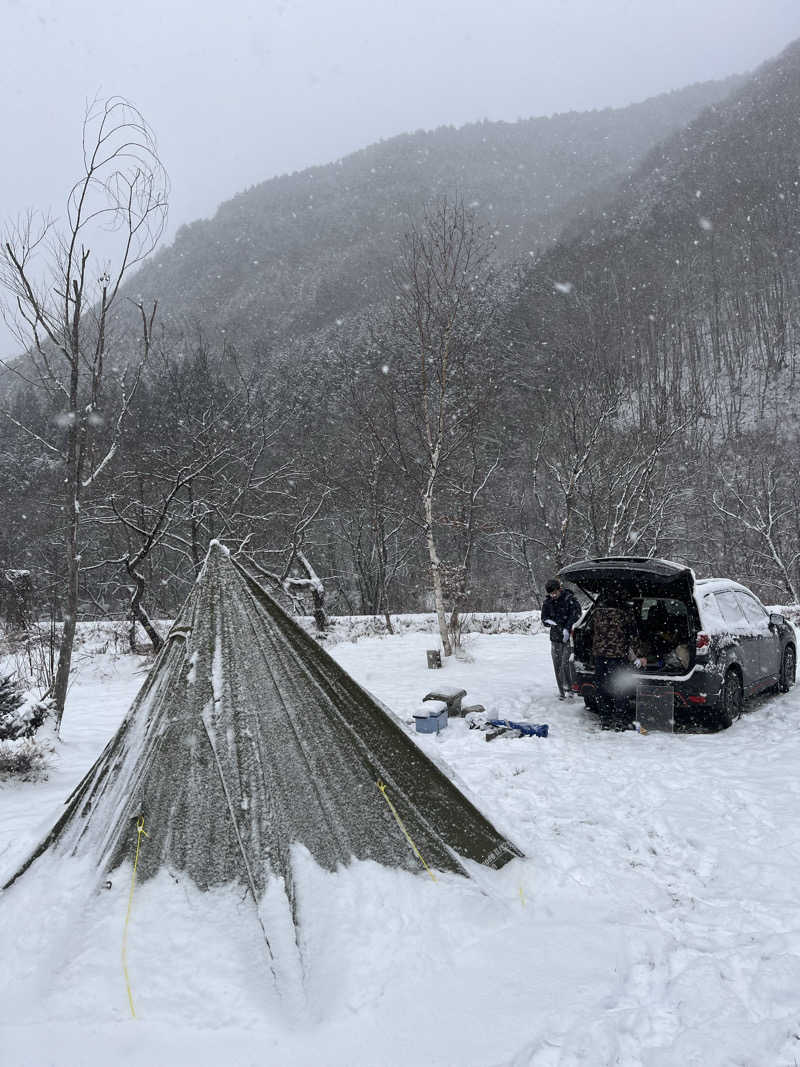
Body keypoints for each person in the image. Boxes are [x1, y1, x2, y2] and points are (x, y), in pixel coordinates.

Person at [592, 591, 637, 725]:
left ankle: (605, 718)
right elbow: (633, 633)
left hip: (599, 656)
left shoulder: (597, 612)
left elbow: (591, 631)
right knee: (619, 686)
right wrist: (637, 654)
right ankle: (619, 718)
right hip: (617, 656)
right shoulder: (624, 613)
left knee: (601, 686)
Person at [541, 578, 582, 699]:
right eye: (550, 593)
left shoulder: (570, 599)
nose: (553, 595)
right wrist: (550, 622)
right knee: (557, 665)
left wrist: (567, 628)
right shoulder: (547, 602)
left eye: (554, 592)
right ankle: (562, 692)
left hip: (568, 638)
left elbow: (576, 615)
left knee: (566, 664)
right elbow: (544, 618)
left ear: (559, 589)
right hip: (555, 638)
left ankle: (570, 689)